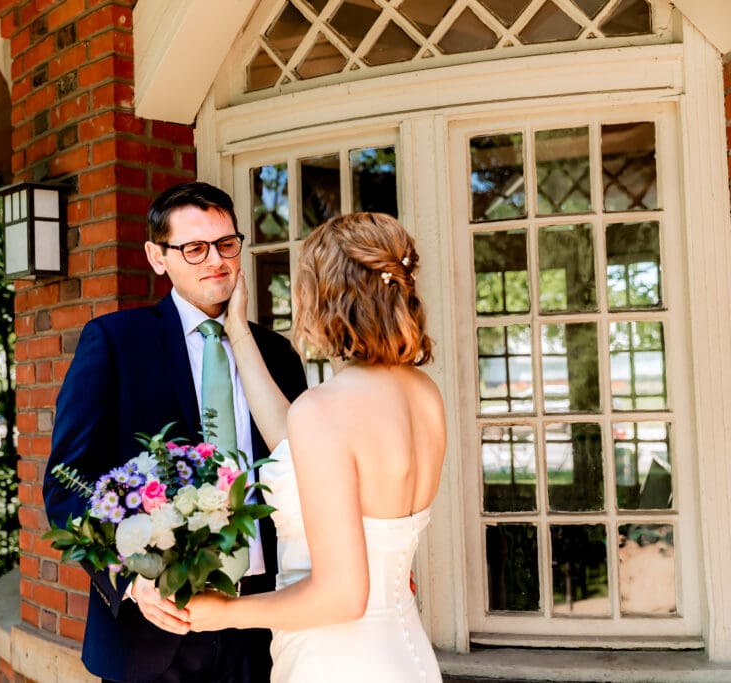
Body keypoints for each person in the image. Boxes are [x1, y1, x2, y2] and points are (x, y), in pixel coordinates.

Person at [43, 181, 308, 683]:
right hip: (151, 631)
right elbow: (66, 482)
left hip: (265, 622)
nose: (216, 261)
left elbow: (310, 475)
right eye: (194, 248)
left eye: (227, 244)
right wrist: (130, 578)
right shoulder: (115, 343)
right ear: (157, 256)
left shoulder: (277, 356)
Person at [184, 212, 447, 682]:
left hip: (335, 660)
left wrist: (224, 612)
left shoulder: (325, 410)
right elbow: (300, 448)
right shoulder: (423, 394)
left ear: (324, 297)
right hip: (405, 653)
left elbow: (342, 596)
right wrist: (239, 332)